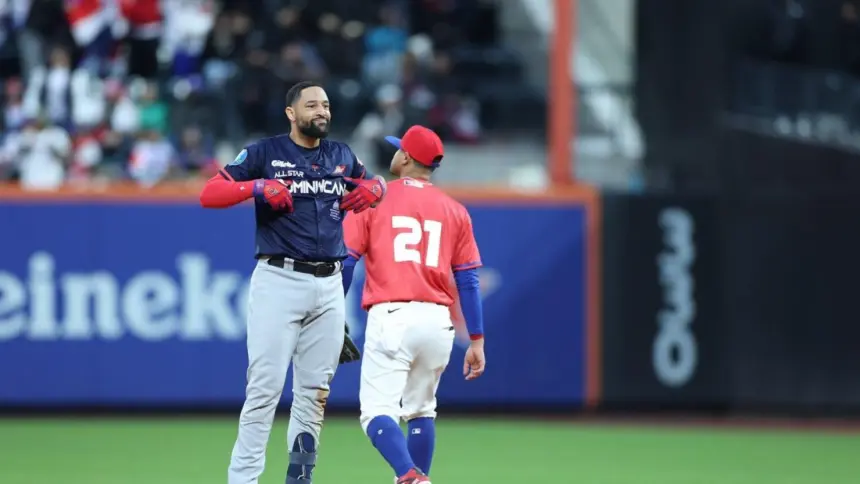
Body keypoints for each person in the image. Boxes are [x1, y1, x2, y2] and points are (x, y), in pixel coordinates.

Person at [198, 80, 387, 484]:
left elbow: (373, 184)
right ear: (291, 112)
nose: (322, 111)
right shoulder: (265, 152)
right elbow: (210, 193)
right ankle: (243, 479)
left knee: (315, 394)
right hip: (279, 279)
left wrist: (378, 187)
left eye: (326, 105)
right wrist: (256, 187)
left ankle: (299, 479)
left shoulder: (341, 155)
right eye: (312, 105)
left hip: (329, 283)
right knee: (263, 390)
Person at [341, 125, 487, 484]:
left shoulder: (372, 198)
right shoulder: (455, 210)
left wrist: (331, 315)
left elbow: (345, 262)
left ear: (406, 157)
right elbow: (468, 280)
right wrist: (477, 339)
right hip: (438, 321)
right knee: (421, 411)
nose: (394, 153)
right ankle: (417, 478)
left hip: (392, 316)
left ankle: (410, 475)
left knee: (376, 412)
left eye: (398, 148)